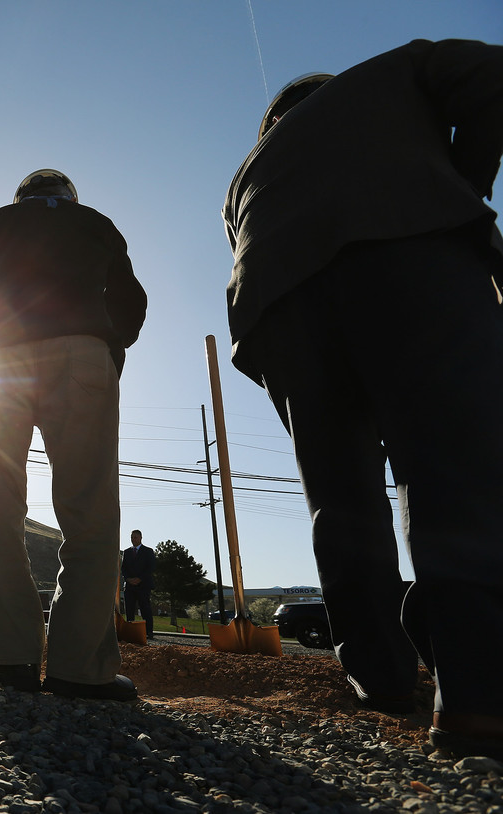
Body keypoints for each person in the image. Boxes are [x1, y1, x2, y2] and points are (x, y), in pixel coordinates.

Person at [221, 39, 503, 759]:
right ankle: (478, 692)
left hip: (280, 307)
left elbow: (242, 248)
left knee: (340, 498)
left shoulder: (248, 170)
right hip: (407, 253)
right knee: (447, 465)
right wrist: (460, 192)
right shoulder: (399, 70)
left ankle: (380, 676)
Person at [0, 170, 146, 699]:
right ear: (69, 197)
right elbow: (130, 304)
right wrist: (105, 349)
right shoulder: (95, 223)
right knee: (89, 514)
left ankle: (13, 662)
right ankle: (79, 669)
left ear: (22, 198)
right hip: (78, 355)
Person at [121, 530, 155, 640]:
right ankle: (130, 632)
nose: (133, 539)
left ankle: (148, 632)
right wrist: (129, 579)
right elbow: (124, 568)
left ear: (140, 537)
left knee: (145, 609)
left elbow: (151, 568)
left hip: (143, 586)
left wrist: (140, 578)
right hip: (130, 586)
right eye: (131, 537)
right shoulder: (127, 552)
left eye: (135, 537)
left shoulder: (148, 551)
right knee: (129, 610)